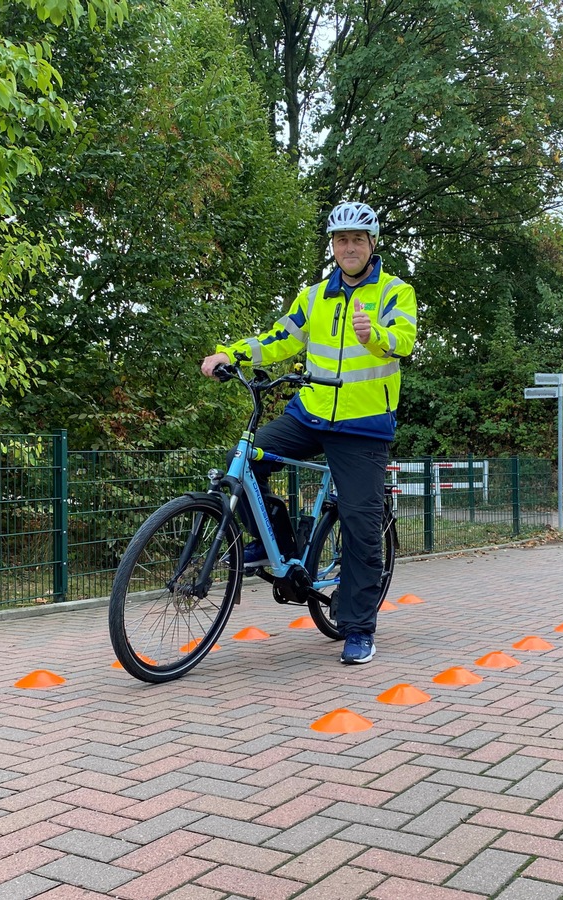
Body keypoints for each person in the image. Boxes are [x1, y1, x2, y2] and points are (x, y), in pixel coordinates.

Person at [200, 201, 418, 665]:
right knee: (245, 463)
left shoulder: (396, 292)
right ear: (333, 247)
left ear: (372, 244)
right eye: (342, 239)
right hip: (311, 412)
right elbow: (279, 340)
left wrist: (373, 334)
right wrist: (230, 355)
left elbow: (404, 340)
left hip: (363, 428)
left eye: (358, 238)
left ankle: (358, 627)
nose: (350, 246)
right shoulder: (314, 296)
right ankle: (277, 542)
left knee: (362, 527)